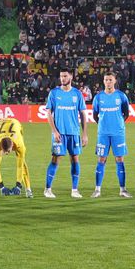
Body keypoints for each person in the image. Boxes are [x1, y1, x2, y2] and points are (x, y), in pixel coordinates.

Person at [44, 69, 88, 199]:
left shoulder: (77, 94)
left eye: (65, 76)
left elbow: (83, 114)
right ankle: (47, 189)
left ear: (71, 77)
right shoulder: (54, 93)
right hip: (60, 133)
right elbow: (48, 113)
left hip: (74, 133)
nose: (62, 78)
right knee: (56, 158)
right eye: (61, 76)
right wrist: (54, 131)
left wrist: (84, 134)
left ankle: (75, 190)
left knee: (75, 158)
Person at [90, 72, 131, 198]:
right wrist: (103, 125)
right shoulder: (98, 97)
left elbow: (126, 113)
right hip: (103, 133)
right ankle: (97, 190)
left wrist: (117, 124)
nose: (108, 82)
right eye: (106, 80)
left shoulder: (121, 96)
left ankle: (122, 190)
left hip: (118, 133)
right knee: (101, 159)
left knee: (119, 159)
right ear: (103, 81)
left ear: (114, 81)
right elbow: (95, 115)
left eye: (110, 80)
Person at [0, 117, 31, 198]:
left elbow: (19, 166)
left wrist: (18, 185)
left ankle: (28, 190)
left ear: (12, 146)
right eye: (5, 151)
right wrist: (1, 187)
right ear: (1, 147)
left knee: (22, 162)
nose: (7, 154)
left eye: (8, 151)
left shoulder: (19, 144)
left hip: (16, 123)